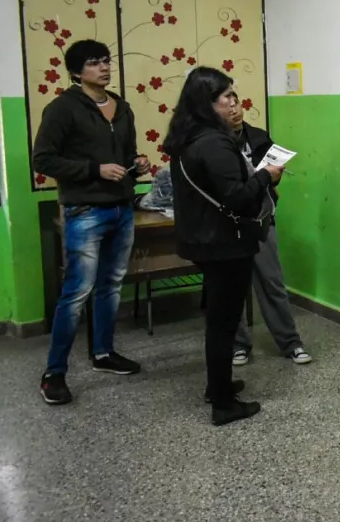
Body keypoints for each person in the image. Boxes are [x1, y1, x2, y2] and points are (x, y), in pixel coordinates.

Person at [163, 67, 283, 426]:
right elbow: (237, 197)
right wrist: (266, 176)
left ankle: (219, 387)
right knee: (223, 324)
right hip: (225, 242)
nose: (234, 102)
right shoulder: (214, 142)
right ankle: (223, 404)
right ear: (206, 102)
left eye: (234, 95)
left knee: (219, 319)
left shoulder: (187, 136)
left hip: (203, 239)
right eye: (226, 97)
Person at [33, 39, 150, 405]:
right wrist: (94, 170)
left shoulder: (122, 107)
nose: (104, 67)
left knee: (110, 286)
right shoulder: (62, 108)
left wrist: (137, 163)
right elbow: (43, 160)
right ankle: (54, 373)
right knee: (76, 293)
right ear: (76, 71)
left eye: (106, 61)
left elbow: (126, 154)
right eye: (95, 63)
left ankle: (103, 353)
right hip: (84, 211)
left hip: (122, 208)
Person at [228, 104, 312, 367]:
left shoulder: (258, 137)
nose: (234, 109)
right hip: (227, 223)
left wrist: (273, 177)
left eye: (236, 102)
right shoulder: (214, 143)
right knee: (232, 288)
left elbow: (273, 179)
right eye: (227, 103)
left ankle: (291, 343)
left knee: (272, 283)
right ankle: (238, 346)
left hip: (260, 219)